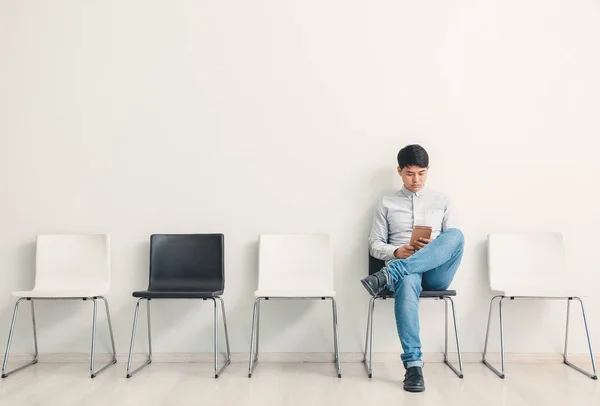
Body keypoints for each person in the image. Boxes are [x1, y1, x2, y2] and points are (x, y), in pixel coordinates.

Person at [360, 144, 464, 393]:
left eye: (421, 173)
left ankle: (389, 274)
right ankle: (414, 366)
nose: (416, 179)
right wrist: (397, 251)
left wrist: (431, 248)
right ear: (399, 171)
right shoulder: (386, 203)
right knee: (407, 278)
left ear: (428, 171)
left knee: (456, 234)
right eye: (410, 173)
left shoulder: (443, 200)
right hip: (407, 271)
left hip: (437, 271)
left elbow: (453, 242)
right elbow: (374, 245)